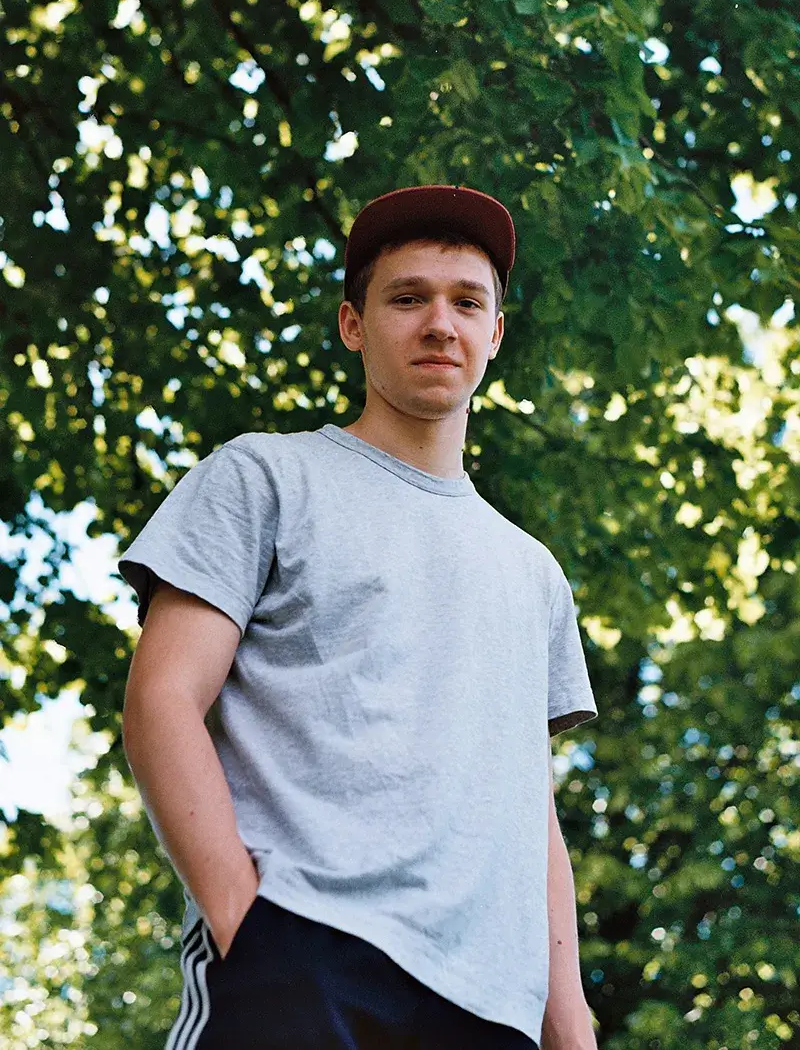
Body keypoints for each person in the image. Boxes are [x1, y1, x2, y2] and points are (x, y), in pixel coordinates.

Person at [119, 185, 599, 1049]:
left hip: (493, 1006)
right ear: (353, 324)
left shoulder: (535, 573)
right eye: (407, 297)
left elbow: (530, 810)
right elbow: (161, 700)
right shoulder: (263, 477)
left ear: (495, 333)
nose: (439, 324)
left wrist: (568, 1021)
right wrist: (246, 922)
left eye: (467, 302)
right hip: (305, 953)